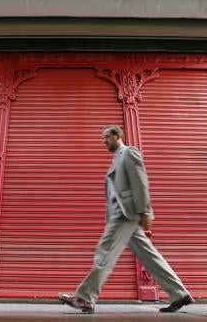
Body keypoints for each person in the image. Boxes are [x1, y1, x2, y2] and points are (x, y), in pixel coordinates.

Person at [58, 125, 194, 314]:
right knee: (149, 256)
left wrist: (146, 211)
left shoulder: (129, 153)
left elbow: (140, 180)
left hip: (125, 214)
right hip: (120, 214)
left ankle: (85, 298)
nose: (104, 142)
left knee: (105, 252)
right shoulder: (116, 159)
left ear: (117, 136)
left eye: (106, 137)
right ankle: (179, 294)